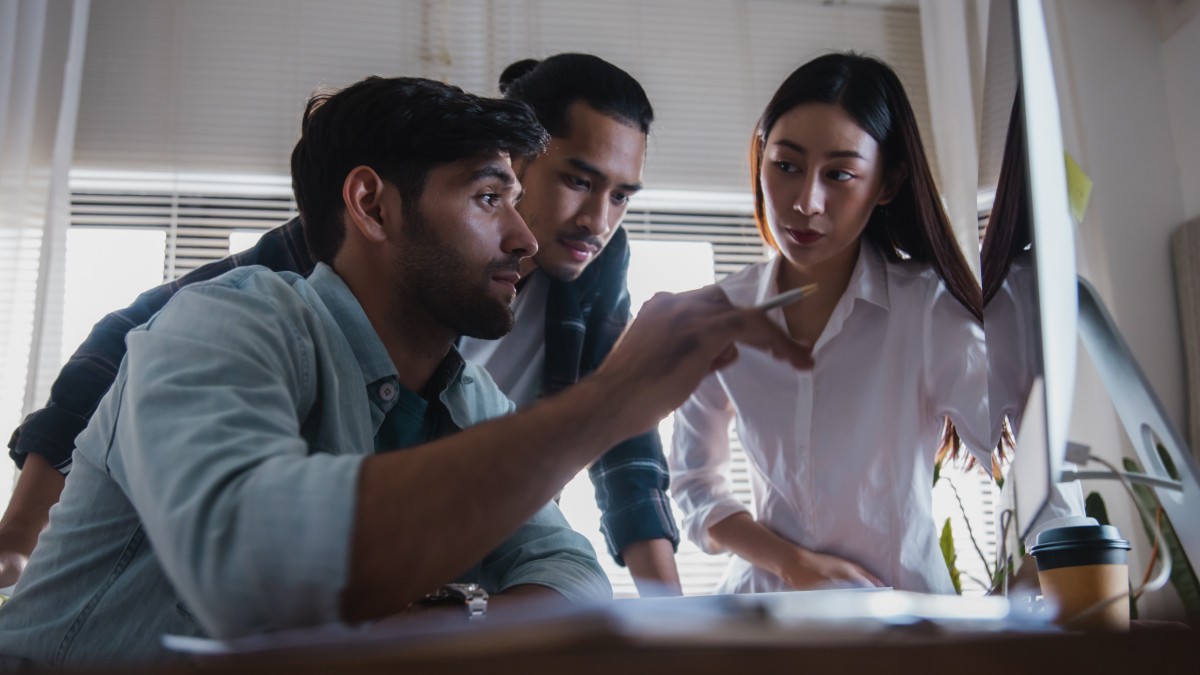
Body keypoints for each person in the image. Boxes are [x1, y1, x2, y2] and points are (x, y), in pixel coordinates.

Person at [0, 76, 810, 667]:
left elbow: (574, 575)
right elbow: (253, 573)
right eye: (492, 198)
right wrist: (608, 401)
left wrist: (443, 613)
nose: (526, 240)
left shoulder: (468, 392)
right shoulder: (226, 321)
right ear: (371, 204)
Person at [667, 52, 990, 595]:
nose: (805, 202)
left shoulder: (928, 311)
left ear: (887, 184)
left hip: (900, 616)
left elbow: (1021, 445)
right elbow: (694, 485)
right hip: (763, 616)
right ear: (760, 156)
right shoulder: (718, 314)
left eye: (839, 174)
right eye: (786, 166)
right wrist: (793, 563)